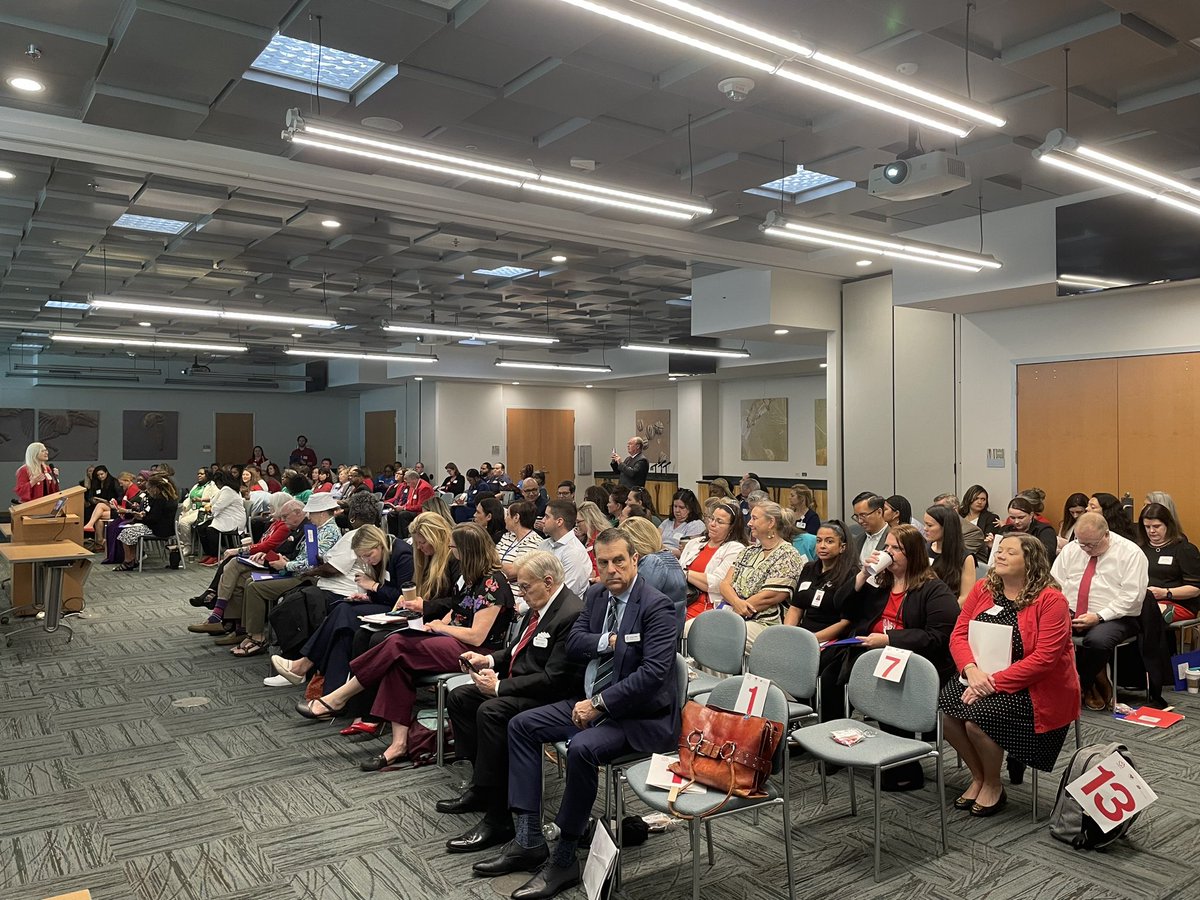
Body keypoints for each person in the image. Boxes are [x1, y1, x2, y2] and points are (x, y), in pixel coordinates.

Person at [475, 529, 679, 899]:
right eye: (603, 563)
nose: (612, 569)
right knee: (520, 725)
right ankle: (529, 839)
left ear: (635, 559)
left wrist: (599, 703)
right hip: (590, 702)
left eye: (619, 560)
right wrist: (609, 641)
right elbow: (576, 644)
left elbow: (652, 676)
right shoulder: (599, 595)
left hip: (638, 717)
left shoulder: (656, 606)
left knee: (583, 748)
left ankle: (564, 858)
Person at [298, 523, 515, 769]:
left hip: (476, 653)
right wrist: (435, 624)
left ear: (468, 550)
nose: (451, 552)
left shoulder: (493, 583)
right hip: (453, 640)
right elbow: (457, 610)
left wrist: (440, 628)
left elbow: (477, 636)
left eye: (454, 548)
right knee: (397, 664)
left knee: (397, 644)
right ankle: (398, 745)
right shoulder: (472, 578)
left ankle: (338, 697)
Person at [441, 552, 586, 853]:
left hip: (552, 696)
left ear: (548, 582)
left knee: (491, 711)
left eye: (525, 587)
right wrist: (488, 658)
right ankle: (482, 785)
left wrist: (499, 687)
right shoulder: (541, 605)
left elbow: (554, 679)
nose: (520, 594)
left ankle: (499, 816)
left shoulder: (570, 613)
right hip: (525, 684)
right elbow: (518, 648)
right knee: (459, 698)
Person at [940, 533, 1080, 816]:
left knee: (979, 721)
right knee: (946, 711)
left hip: (1035, 687)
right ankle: (978, 776)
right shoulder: (983, 589)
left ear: (1030, 562)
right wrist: (970, 670)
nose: (1000, 555)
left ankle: (993, 783)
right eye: (999, 550)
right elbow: (958, 635)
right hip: (979, 675)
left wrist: (991, 683)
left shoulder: (1051, 600)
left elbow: (1045, 659)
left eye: (1010, 552)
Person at [269, 524, 415, 691]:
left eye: (368, 555)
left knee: (343, 611)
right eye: (363, 558)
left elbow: (402, 597)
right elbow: (384, 589)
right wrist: (367, 596)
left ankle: (303, 665)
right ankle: (331, 695)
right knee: (342, 628)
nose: (367, 561)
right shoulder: (380, 554)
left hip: (398, 611)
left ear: (379, 544)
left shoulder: (402, 554)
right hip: (383, 605)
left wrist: (373, 586)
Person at [1051, 512, 1148, 710]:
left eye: (1091, 545)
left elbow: (1132, 597)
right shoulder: (1072, 549)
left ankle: (1081, 686)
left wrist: (1099, 616)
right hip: (1071, 610)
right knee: (1044, 630)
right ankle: (1099, 678)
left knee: (1097, 641)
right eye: (1081, 543)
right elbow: (1054, 583)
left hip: (1116, 615)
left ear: (1106, 535)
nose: (1085, 549)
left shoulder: (1130, 553)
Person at [187, 498, 306, 630]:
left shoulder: (296, 529)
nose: (269, 511)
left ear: (297, 513)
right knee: (236, 573)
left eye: (272, 507)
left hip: (286, 570)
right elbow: (279, 550)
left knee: (239, 570)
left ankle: (227, 618)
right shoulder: (286, 526)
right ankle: (234, 624)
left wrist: (251, 552)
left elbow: (273, 548)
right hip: (277, 563)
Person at [718, 501, 804, 649]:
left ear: (771, 522)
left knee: (722, 638)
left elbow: (768, 597)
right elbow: (724, 584)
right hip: (735, 613)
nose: (749, 523)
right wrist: (736, 605)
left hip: (766, 624)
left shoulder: (788, 555)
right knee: (692, 628)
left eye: (754, 518)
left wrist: (737, 609)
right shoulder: (748, 552)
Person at [784, 520, 860, 642]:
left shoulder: (851, 574)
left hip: (832, 639)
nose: (822, 546)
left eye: (829, 541)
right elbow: (796, 608)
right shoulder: (809, 568)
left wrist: (811, 640)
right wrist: (787, 634)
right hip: (804, 635)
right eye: (819, 541)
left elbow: (846, 622)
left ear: (842, 547)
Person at [679, 499, 747, 622]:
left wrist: (686, 574)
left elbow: (717, 584)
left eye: (719, 522)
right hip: (681, 599)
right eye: (712, 519)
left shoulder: (735, 549)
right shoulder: (695, 543)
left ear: (732, 527)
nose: (712, 524)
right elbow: (677, 573)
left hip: (707, 606)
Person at [620, 516, 688, 631]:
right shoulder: (666, 557)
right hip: (664, 632)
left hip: (653, 635)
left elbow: (634, 603)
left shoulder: (653, 563)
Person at [1138, 502, 1200, 622]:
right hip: (1144, 601)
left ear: (1168, 525)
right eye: (1147, 527)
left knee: (1147, 615)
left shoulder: (1184, 549)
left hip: (1178, 603)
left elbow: (1195, 589)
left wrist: (1166, 593)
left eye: (1156, 526)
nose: (1151, 531)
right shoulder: (1139, 549)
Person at [111, 475, 179, 571]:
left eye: (149, 488)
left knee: (126, 533)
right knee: (130, 532)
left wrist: (141, 517)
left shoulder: (160, 500)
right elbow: (155, 515)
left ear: (155, 488)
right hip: (163, 527)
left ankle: (128, 561)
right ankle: (132, 559)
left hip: (159, 530)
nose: (148, 491)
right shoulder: (169, 498)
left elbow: (154, 519)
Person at [925, 504, 976, 605]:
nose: (925, 529)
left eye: (929, 525)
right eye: (925, 524)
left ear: (946, 527)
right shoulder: (924, 549)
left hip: (948, 609)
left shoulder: (965, 557)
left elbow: (965, 597)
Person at [540, 500, 592, 597]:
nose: (542, 521)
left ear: (559, 521)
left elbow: (564, 594)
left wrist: (523, 606)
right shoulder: (543, 545)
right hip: (537, 603)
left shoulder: (574, 553)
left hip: (561, 609)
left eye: (546, 517)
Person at [988, 497, 1057, 566]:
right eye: (1012, 518)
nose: (1016, 522)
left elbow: (1047, 557)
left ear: (1031, 515)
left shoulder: (1045, 531)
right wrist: (993, 546)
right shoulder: (1006, 530)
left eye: (1021, 517)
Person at [196, 470, 245, 565]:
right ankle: (209, 553)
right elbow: (214, 501)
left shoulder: (228, 490)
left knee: (211, 530)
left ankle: (215, 556)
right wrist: (210, 507)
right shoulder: (224, 489)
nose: (217, 486)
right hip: (224, 517)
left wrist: (210, 508)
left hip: (233, 519)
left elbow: (218, 506)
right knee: (201, 528)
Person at [498, 500, 544, 583]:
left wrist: (493, 563)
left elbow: (513, 572)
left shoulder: (534, 542)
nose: (505, 518)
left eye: (508, 515)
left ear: (516, 517)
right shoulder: (507, 536)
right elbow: (491, 558)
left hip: (516, 593)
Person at [659, 488, 705, 557]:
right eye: (675, 506)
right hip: (658, 554)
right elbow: (655, 538)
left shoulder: (696, 525)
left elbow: (686, 552)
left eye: (682, 507)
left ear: (690, 509)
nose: (677, 510)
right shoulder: (668, 521)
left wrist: (662, 549)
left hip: (675, 559)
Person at [82, 464, 123, 543]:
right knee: (99, 517)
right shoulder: (96, 483)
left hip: (114, 505)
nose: (100, 476)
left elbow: (120, 496)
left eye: (102, 474)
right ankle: (100, 540)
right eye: (98, 475)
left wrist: (112, 501)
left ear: (106, 473)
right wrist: (93, 500)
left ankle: (90, 524)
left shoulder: (113, 481)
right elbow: (91, 495)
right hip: (101, 506)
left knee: (100, 506)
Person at [852, 492, 889, 565]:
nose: (860, 521)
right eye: (857, 516)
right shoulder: (857, 540)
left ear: (879, 512)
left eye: (863, 515)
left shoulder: (895, 538)